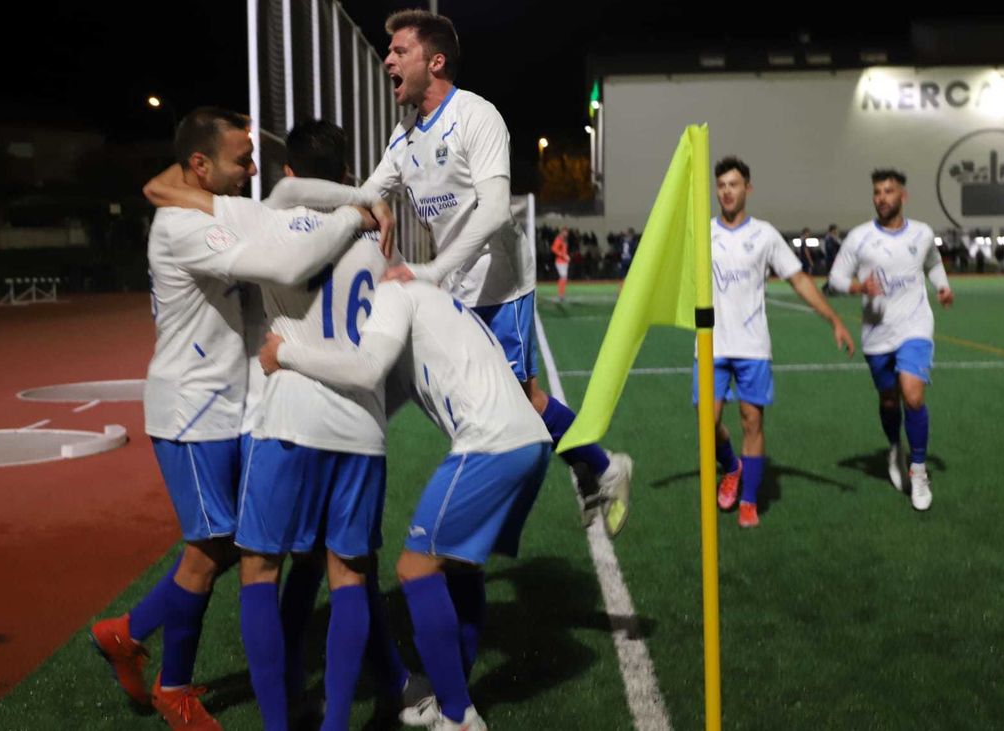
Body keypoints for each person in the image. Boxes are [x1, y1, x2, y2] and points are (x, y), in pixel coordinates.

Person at [279, 9, 633, 537]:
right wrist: (337, 209)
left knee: (517, 401)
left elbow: (495, 212)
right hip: (454, 287)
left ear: (435, 61)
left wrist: (432, 270)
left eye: (400, 51)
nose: (388, 59)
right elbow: (367, 192)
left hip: (500, 283)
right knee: (481, 399)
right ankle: (587, 470)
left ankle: (600, 469)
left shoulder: (476, 116)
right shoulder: (404, 135)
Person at [91, 108, 381, 730]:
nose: (253, 170)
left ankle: (131, 635)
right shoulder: (184, 227)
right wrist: (357, 210)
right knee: (215, 549)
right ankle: (165, 678)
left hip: (240, 405)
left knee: (237, 548)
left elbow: (266, 203)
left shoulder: (219, 208)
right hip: (193, 409)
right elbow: (281, 261)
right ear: (199, 165)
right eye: (241, 160)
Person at [259, 278, 554, 731]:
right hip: (530, 442)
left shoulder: (392, 296)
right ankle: (452, 693)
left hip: (490, 444)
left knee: (415, 570)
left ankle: (457, 715)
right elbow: (379, 401)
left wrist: (285, 353)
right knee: (461, 567)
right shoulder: (431, 299)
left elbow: (365, 370)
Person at [700, 157, 855, 527]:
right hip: (710, 344)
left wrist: (833, 318)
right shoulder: (702, 233)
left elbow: (798, 279)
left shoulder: (765, 235)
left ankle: (749, 500)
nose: (727, 191)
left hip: (752, 345)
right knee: (708, 422)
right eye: (721, 185)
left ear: (747, 188)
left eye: (734, 184)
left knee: (752, 422)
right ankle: (732, 466)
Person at [828, 169, 954, 511]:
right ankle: (895, 447)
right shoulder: (859, 238)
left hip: (915, 326)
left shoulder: (922, 233)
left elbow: (933, 263)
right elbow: (835, 279)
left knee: (912, 396)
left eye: (888, 191)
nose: (882, 197)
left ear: (903, 196)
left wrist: (942, 286)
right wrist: (858, 286)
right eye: (877, 192)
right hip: (877, 332)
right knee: (888, 400)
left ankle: (918, 471)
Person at [552, 226, 570, 302]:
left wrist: (566, 256)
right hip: (560, 262)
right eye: (565, 232)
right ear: (562, 232)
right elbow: (553, 249)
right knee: (563, 277)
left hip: (564, 262)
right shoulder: (559, 239)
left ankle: (562, 295)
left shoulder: (564, 239)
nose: (566, 233)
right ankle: (560, 295)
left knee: (564, 278)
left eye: (567, 232)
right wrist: (563, 255)